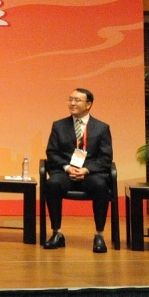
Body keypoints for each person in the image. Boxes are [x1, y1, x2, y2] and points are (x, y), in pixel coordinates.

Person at [42, 88, 113, 253]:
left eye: (77, 100)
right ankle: (57, 233)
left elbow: (106, 157)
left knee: (101, 186)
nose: (72, 103)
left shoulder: (101, 128)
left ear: (88, 104)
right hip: (65, 172)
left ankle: (99, 235)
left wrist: (86, 170)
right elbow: (52, 152)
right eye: (70, 99)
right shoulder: (59, 126)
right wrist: (67, 168)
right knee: (52, 184)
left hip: (90, 174)